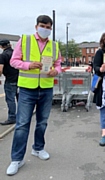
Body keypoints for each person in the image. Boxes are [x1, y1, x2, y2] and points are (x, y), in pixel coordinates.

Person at [6, 15, 62, 176]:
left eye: (49, 27)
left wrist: (55, 71)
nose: (46, 29)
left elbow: (58, 63)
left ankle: (38, 148)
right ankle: (17, 159)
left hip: (46, 88)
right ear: (36, 26)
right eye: (43, 26)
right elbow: (14, 61)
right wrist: (29, 65)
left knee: (42, 122)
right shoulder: (25, 40)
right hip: (27, 89)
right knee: (22, 124)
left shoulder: (54, 45)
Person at [0, 39, 19, 125]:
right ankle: (22, 116)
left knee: (10, 100)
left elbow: (0, 68)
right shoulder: (16, 53)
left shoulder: (3, 55)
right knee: (21, 99)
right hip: (20, 79)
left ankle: (12, 117)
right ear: (10, 44)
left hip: (10, 80)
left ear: (1, 46)